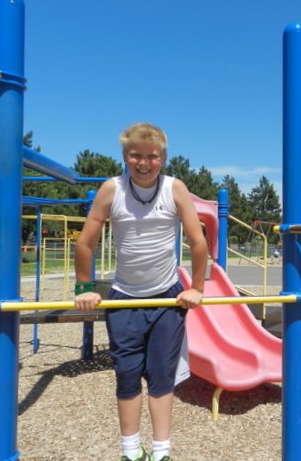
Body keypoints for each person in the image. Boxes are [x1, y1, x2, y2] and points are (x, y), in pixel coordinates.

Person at [74, 122, 209, 461]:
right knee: (127, 375)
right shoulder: (112, 190)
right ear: (125, 156)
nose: (144, 163)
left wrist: (197, 288)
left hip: (166, 298)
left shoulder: (174, 189)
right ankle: (130, 452)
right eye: (136, 156)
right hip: (124, 298)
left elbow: (197, 242)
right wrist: (84, 287)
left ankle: (162, 451)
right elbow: (86, 242)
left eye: (152, 157)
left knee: (162, 376)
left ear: (163, 158)